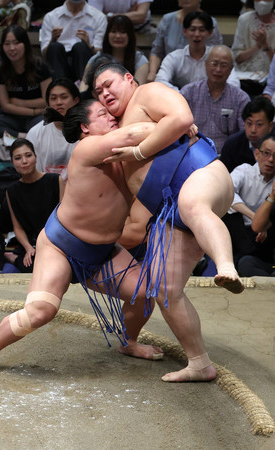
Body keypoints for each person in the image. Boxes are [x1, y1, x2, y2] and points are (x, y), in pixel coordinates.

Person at [0, 99, 163, 379]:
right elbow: (134, 133)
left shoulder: (126, 154)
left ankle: (128, 341)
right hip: (61, 245)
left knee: (145, 293)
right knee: (41, 311)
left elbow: (145, 144)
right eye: (102, 114)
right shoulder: (87, 147)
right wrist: (174, 123)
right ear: (85, 127)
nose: (111, 116)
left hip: (102, 252)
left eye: (110, 112)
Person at [94, 63, 244, 382]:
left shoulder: (147, 93)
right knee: (163, 289)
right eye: (98, 92)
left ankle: (226, 265)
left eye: (108, 84)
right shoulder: (115, 127)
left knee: (193, 203)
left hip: (201, 174)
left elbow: (182, 118)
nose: (105, 93)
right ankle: (200, 363)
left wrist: (137, 151)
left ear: (129, 79)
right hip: (168, 211)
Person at [0, 25, 52, 147]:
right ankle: (23, 137)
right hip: (12, 118)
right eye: (7, 44)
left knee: (50, 129)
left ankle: (16, 139)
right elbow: (5, 106)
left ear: (25, 44)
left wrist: (19, 102)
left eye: (16, 43)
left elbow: (47, 100)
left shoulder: (40, 66)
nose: (12, 48)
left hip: (38, 116)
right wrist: (32, 109)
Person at [4, 138, 64, 272]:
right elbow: (18, 228)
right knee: (32, 265)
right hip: (30, 243)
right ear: (12, 162)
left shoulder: (55, 180)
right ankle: (17, 257)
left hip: (55, 239)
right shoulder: (12, 190)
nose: (24, 161)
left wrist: (45, 246)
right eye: (18, 158)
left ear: (36, 157)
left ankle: (14, 258)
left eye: (28, 155)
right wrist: (28, 248)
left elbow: (63, 219)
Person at [180, 45, 250, 154]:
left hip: (228, 158)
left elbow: (244, 136)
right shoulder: (188, 93)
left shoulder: (240, 98)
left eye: (224, 65)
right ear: (206, 64)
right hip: (193, 154)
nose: (218, 69)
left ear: (231, 69)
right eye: (214, 64)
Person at [225, 133, 275, 276]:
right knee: (228, 214)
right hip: (241, 230)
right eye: (266, 153)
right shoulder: (245, 171)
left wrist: (265, 224)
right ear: (257, 154)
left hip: (265, 236)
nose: (271, 160)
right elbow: (227, 193)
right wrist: (255, 217)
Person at [155, 11, 240, 91]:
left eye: (202, 30)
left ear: (210, 32)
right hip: (181, 101)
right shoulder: (174, 57)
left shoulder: (218, 57)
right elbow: (160, 81)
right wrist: (183, 94)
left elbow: (234, 84)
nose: (197, 34)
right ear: (184, 31)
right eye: (192, 29)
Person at [147, 0, 222, 82]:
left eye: (201, 30)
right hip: (171, 74)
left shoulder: (210, 22)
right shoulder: (167, 19)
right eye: (193, 29)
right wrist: (152, 73)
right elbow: (157, 51)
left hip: (203, 77)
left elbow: (217, 54)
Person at [40, 0, 107, 82]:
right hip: (59, 60)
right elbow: (44, 54)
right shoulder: (50, 17)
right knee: (54, 47)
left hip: (84, 58)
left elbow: (99, 53)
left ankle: (84, 89)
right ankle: (60, 88)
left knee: (80, 47)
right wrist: (52, 40)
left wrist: (89, 45)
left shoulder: (99, 17)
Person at [26, 78, 80, 175]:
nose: (59, 102)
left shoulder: (85, 130)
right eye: (53, 98)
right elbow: (34, 175)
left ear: (76, 101)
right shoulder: (35, 133)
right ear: (48, 104)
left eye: (64, 97)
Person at [80, 15, 149, 90]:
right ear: (107, 35)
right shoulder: (97, 58)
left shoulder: (140, 60)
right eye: (113, 31)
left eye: (123, 32)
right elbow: (84, 83)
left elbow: (137, 89)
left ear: (130, 36)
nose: (118, 36)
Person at [220, 96, 275, 172]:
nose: (253, 130)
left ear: (270, 126)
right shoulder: (232, 145)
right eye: (249, 123)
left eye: (259, 124)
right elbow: (225, 177)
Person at [232, 0, 275, 96]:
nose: (262, 2)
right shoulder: (244, 20)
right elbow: (237, 58)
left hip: (271, 79)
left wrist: (265, 45)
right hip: (245, 78)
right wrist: (257, 46)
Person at [88, 0, 154, 33]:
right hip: (109, 29)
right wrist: (129, 15)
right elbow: (95, 18)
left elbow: (141, 16)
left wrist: (109, 16)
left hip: (141, 29)